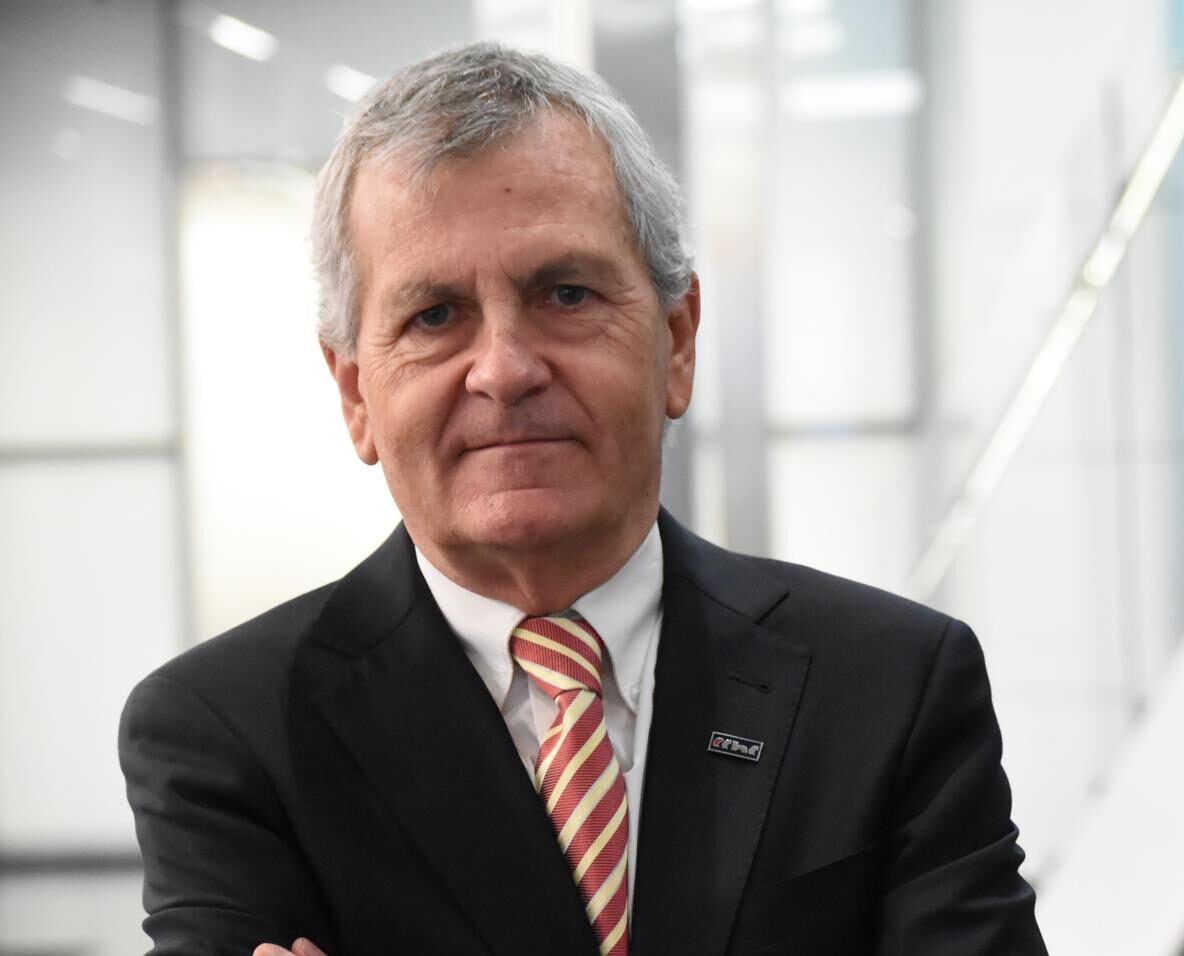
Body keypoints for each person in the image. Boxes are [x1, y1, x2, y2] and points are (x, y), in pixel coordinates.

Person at [119, 42, 1048, 956]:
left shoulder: (888, 686)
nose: (505, 370)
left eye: (564, 294)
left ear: (677, 342)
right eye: (434, 316)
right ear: (356, 393)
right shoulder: (230, 736)